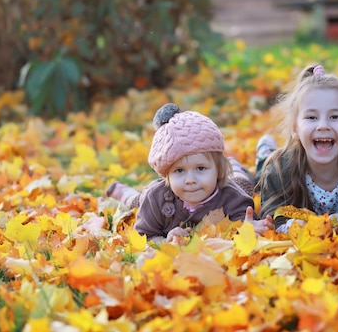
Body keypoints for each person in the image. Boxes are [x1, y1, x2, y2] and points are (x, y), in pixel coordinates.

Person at [105, 103, 274, 243]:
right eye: (179, 171)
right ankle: (124, 192)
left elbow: (245, 223)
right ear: (167, 175)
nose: (190, 180)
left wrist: (248, 228)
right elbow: (144, 237)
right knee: (138, 200)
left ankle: (239, 162)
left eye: (200, 168)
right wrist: (165, 241)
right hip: (154, 196)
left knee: (241, 182)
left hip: (228, 180)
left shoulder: (232, 197)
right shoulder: (155, 198)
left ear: (218, 170)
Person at [256, 64, 338, 232]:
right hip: (276, 162)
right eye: (312, 117)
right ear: (295, 128)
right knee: (262, 168)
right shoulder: (278, 170)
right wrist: (291, 226)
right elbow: (272, 217)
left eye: (335, 116)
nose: (323, 125)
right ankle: (264, 150)